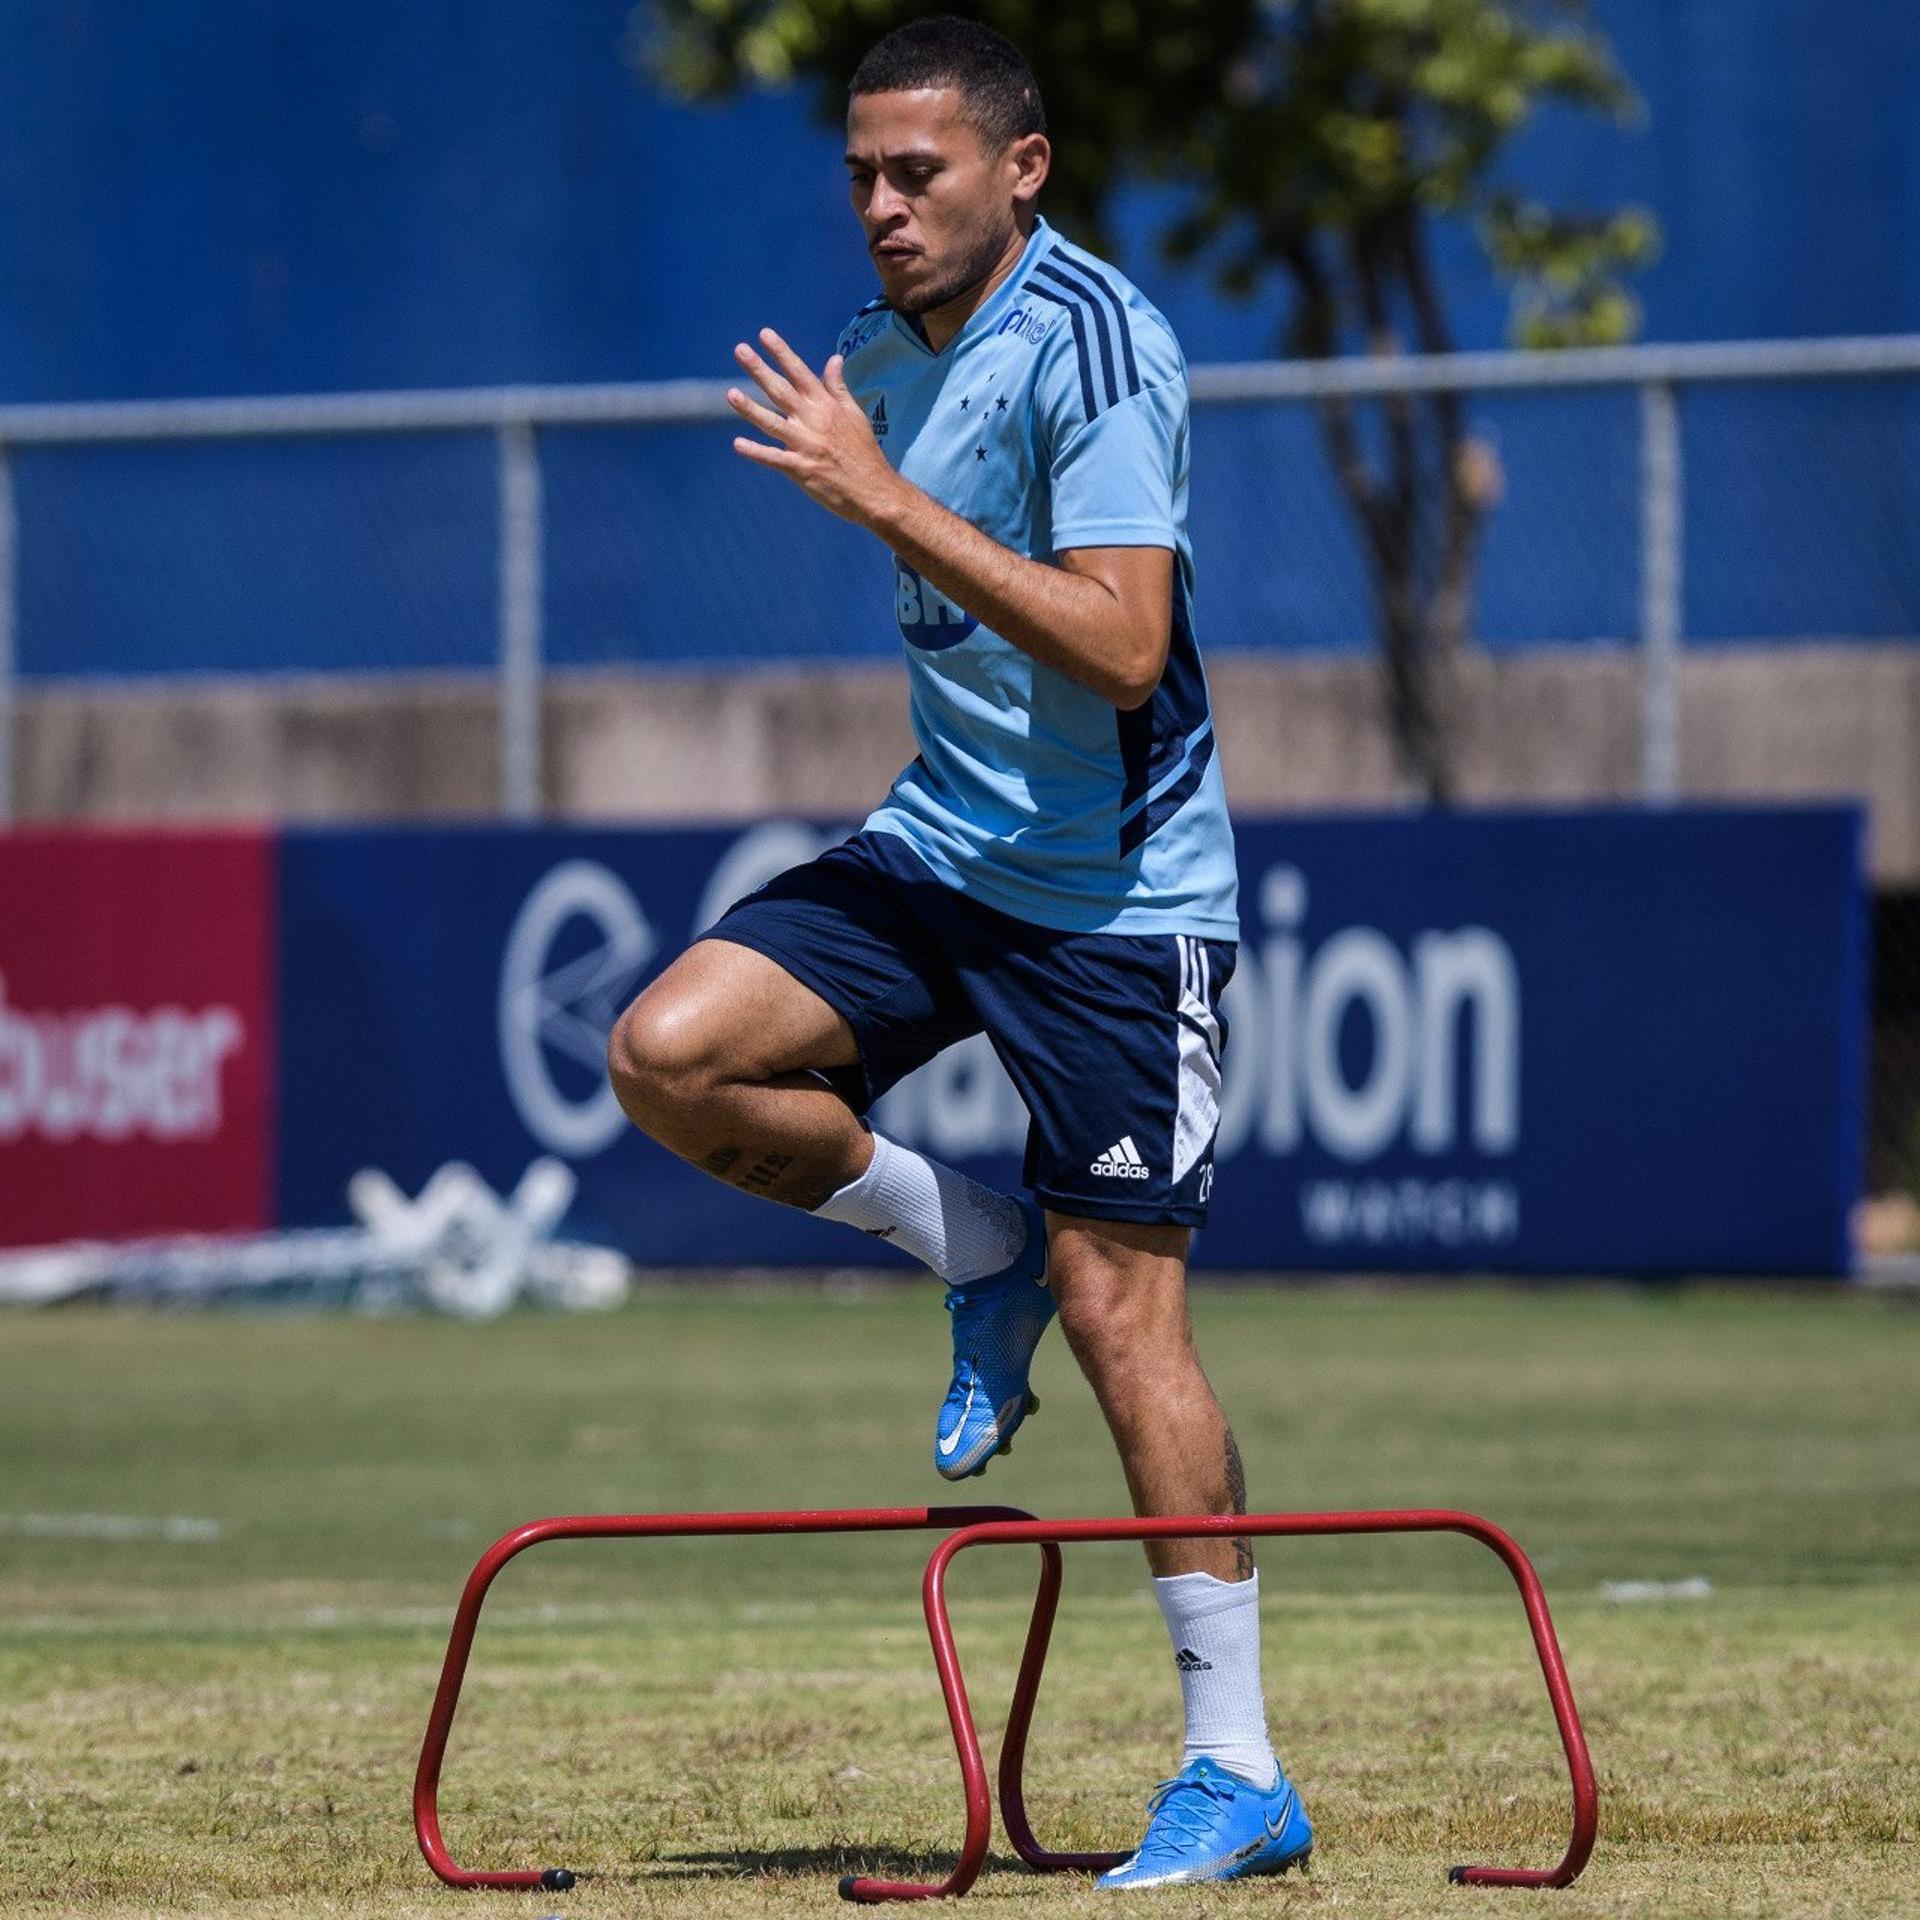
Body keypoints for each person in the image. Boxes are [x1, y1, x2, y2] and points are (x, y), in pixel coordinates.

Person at [607, 15, 1310, 1889]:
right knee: (671, 1053)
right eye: (859, 173)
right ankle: (966, 1241)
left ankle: (1236, 1772)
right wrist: (878, 472)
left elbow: (1123, 650)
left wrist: (885, 498)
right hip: (944, 847)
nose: (881, 205)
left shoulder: (1100, 342)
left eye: (918, 171)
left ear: (1025, 171)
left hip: (1123, 898)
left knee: (1122, 1317)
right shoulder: (867, 358)